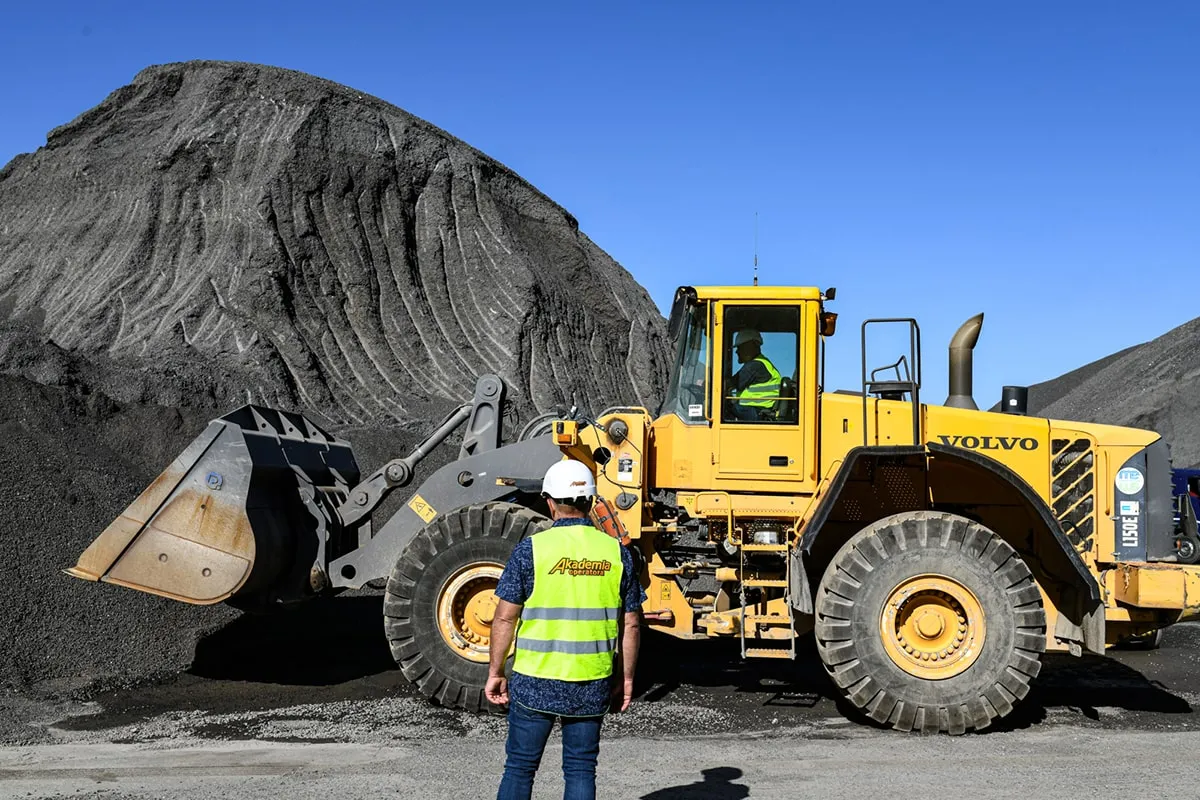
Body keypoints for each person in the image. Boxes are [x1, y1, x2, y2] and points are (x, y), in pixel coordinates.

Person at [487, 459, 645, 800]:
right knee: (580, 769)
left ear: (549, 502)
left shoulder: (531, 551)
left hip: (534, 680)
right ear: (591, 502)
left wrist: (496, 671)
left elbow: (503, 619)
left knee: (519, 769)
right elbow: (630, 622)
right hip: (591, 682)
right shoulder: (618, 554)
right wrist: (627, 678)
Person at [729, 328, 782, 421]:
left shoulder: (755, 366)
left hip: (758, 412)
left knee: (723, 407)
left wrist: (708, 385)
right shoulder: (760, 363)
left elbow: (729, 384)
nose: (736, 352)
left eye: (739, 347)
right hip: (760, 410)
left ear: (751, 346)